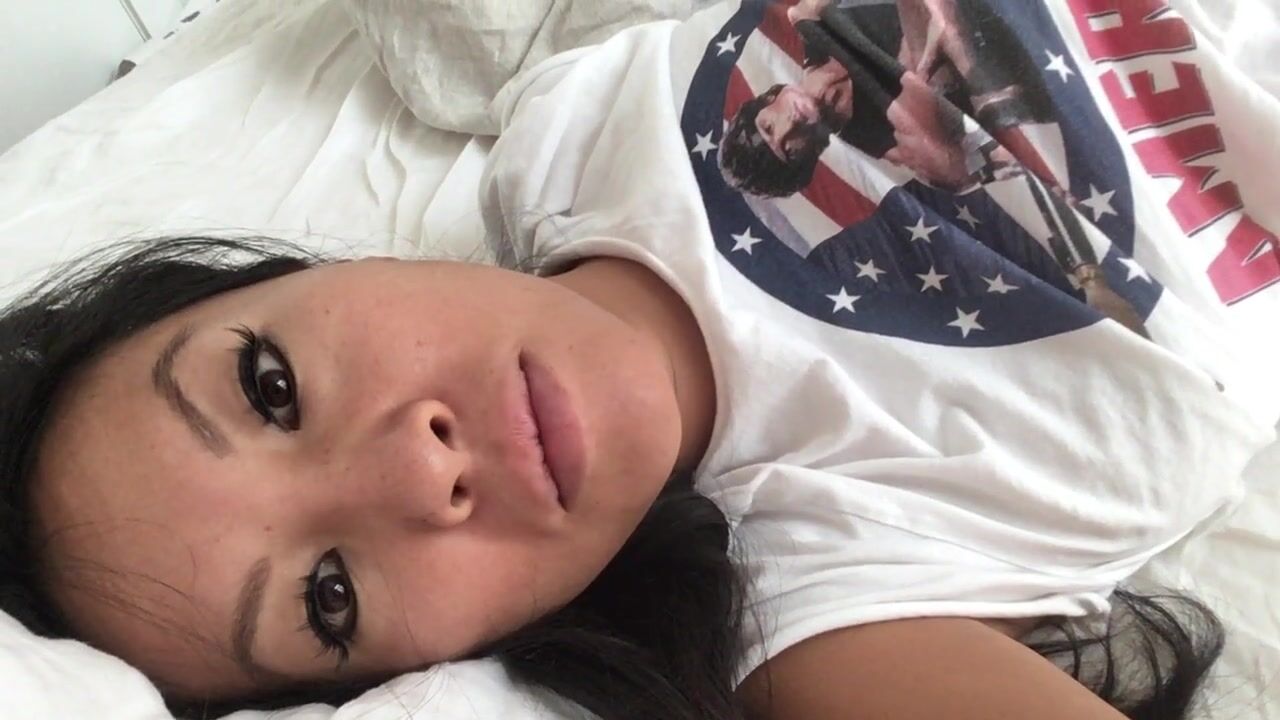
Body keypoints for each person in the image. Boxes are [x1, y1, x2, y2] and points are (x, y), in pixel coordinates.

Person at [2, 2, 1271, 720]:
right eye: (329, 597)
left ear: (286, 277)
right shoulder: (829, 609)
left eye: (268, 388)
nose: (414, 469)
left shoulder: (553, 138)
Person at [719, 0, 1149, 335]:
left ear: (768, 99)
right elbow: (994, 170)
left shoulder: (807, 23)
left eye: (768, 126)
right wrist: (1087, 275)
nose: (789, 127)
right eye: (787, 149)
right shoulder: (893, 141)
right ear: (807, 161)